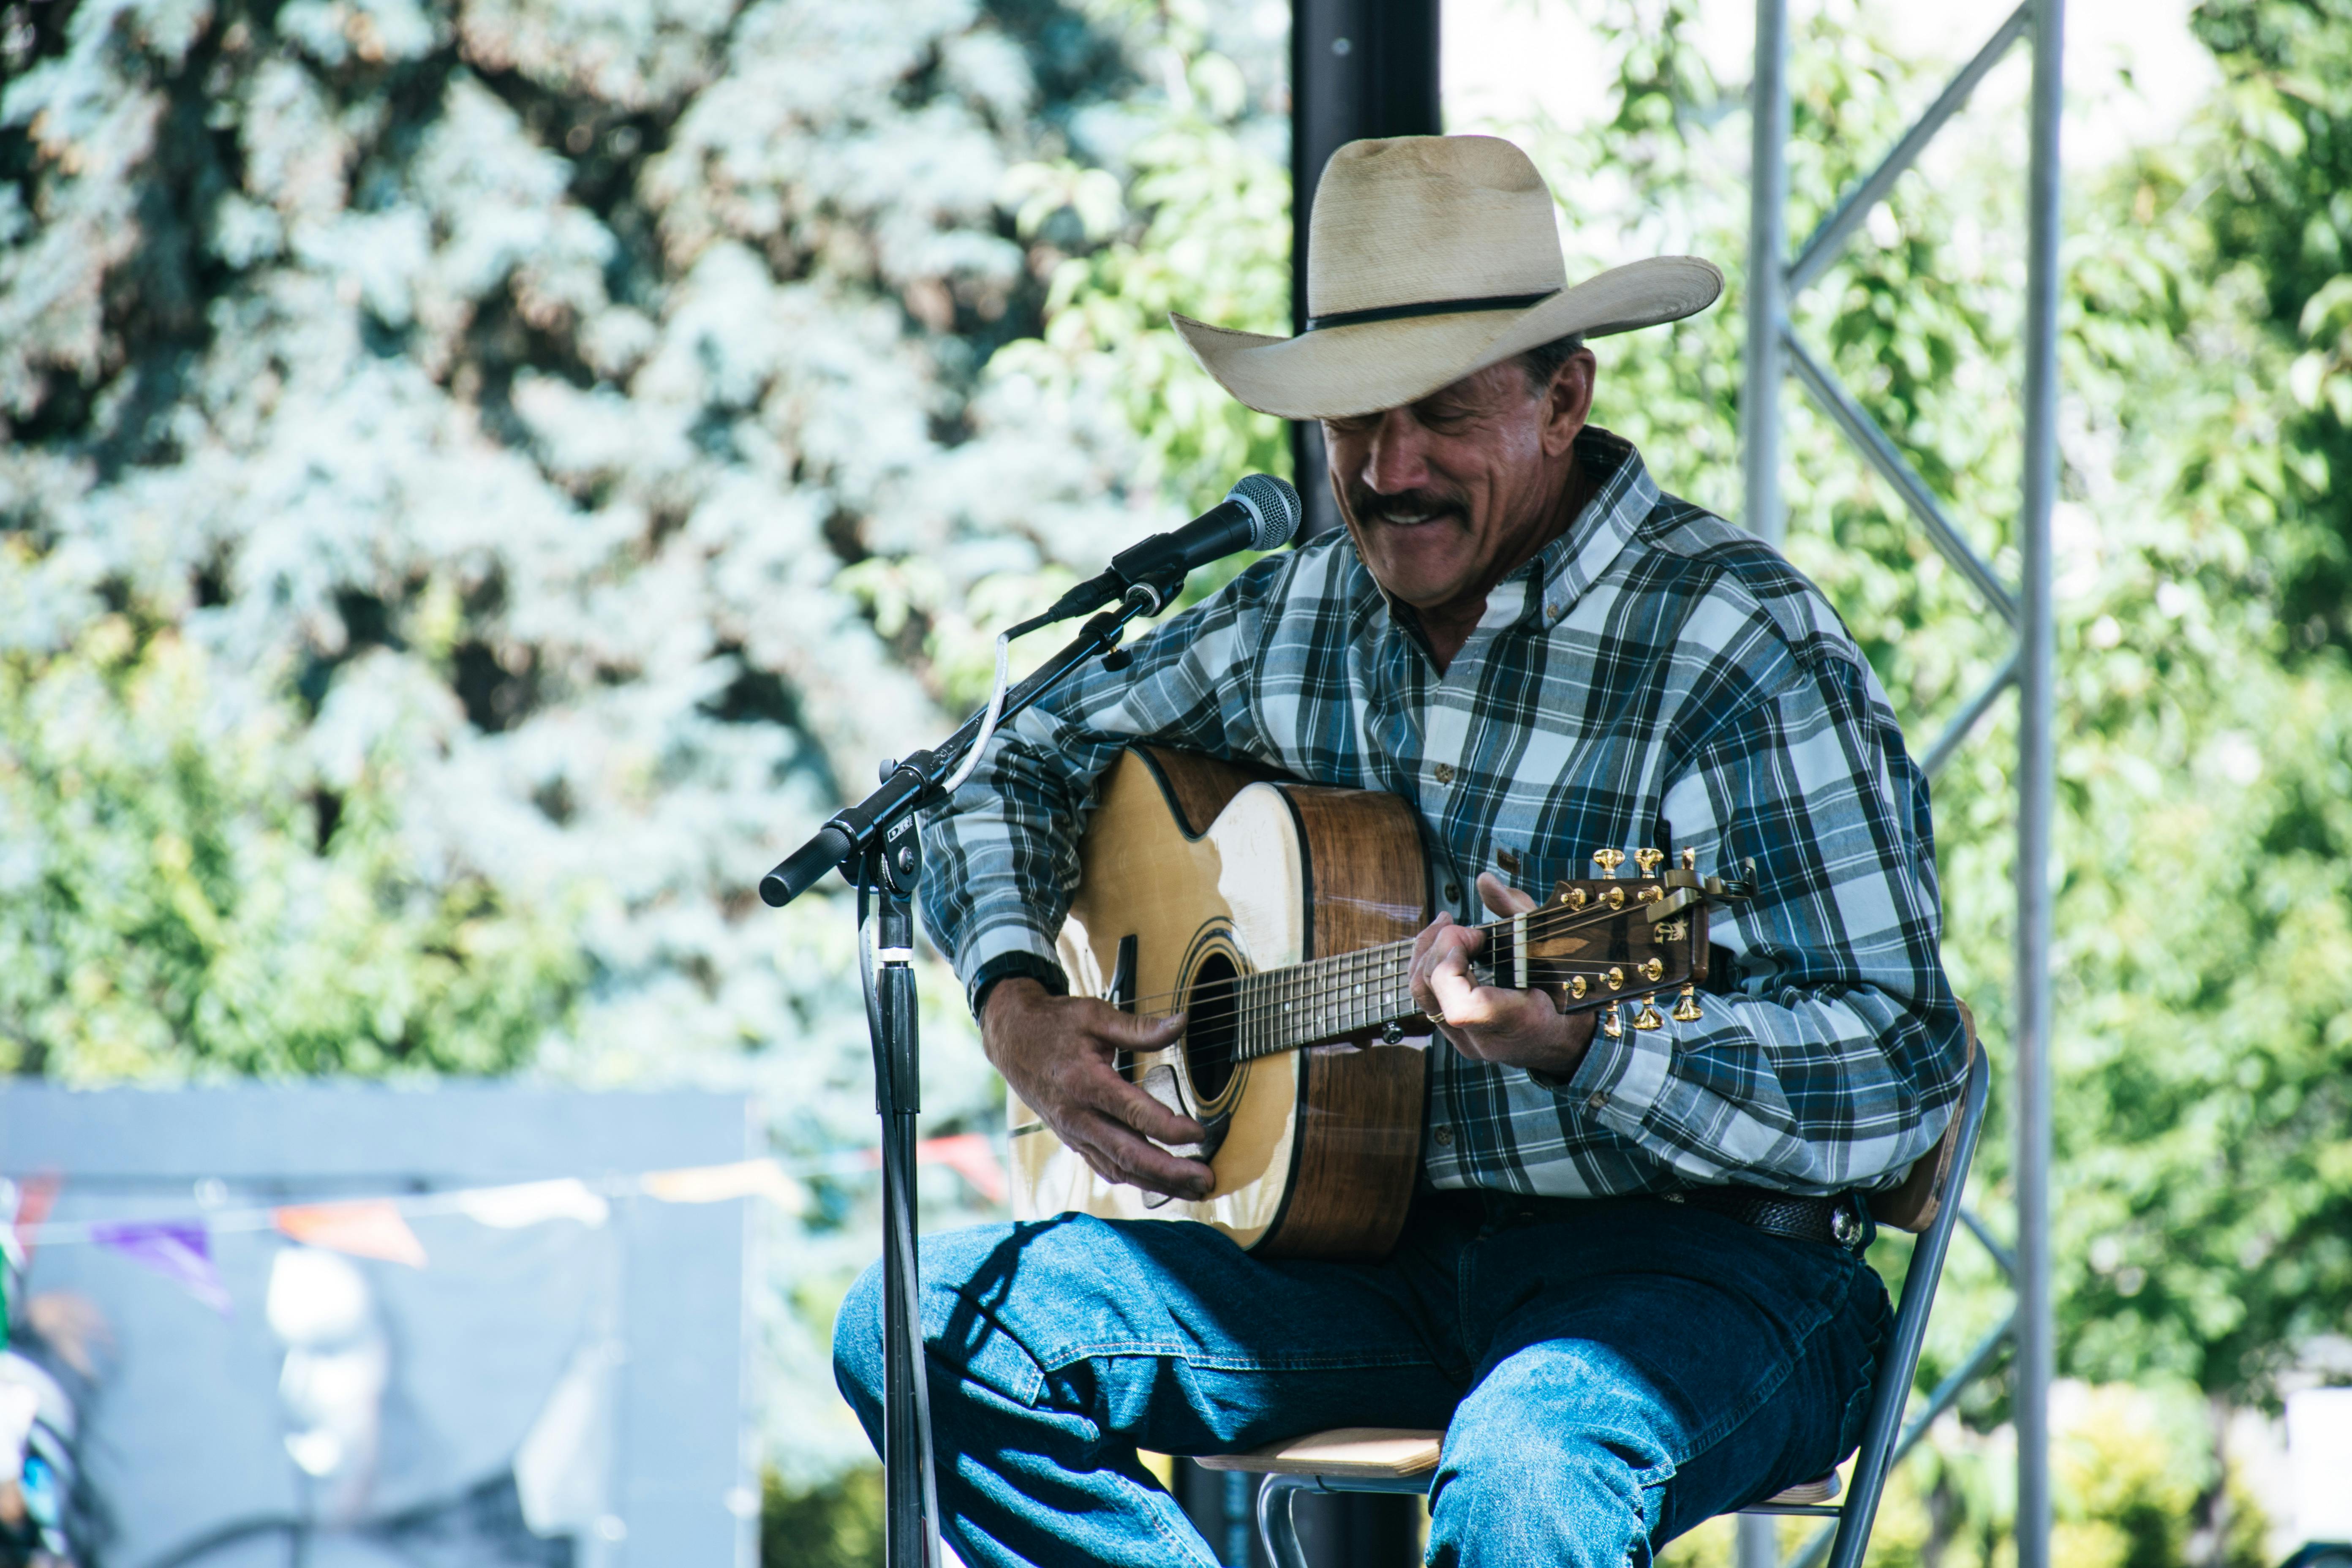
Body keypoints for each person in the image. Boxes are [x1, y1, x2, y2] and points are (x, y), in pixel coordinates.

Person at [835, 134, 1968, 1568]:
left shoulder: (1733, 644)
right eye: (1352, 420)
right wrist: (1016, 1001)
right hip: (1369, 1266)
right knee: (924, 1327)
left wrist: (1589, 1048)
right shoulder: (1290, 615)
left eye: (1441, 413)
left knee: (1531, 1465)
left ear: (1566, 397)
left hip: (1705, 1273)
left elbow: (1893, 1056)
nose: (1388, 467)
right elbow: (1007, 766)